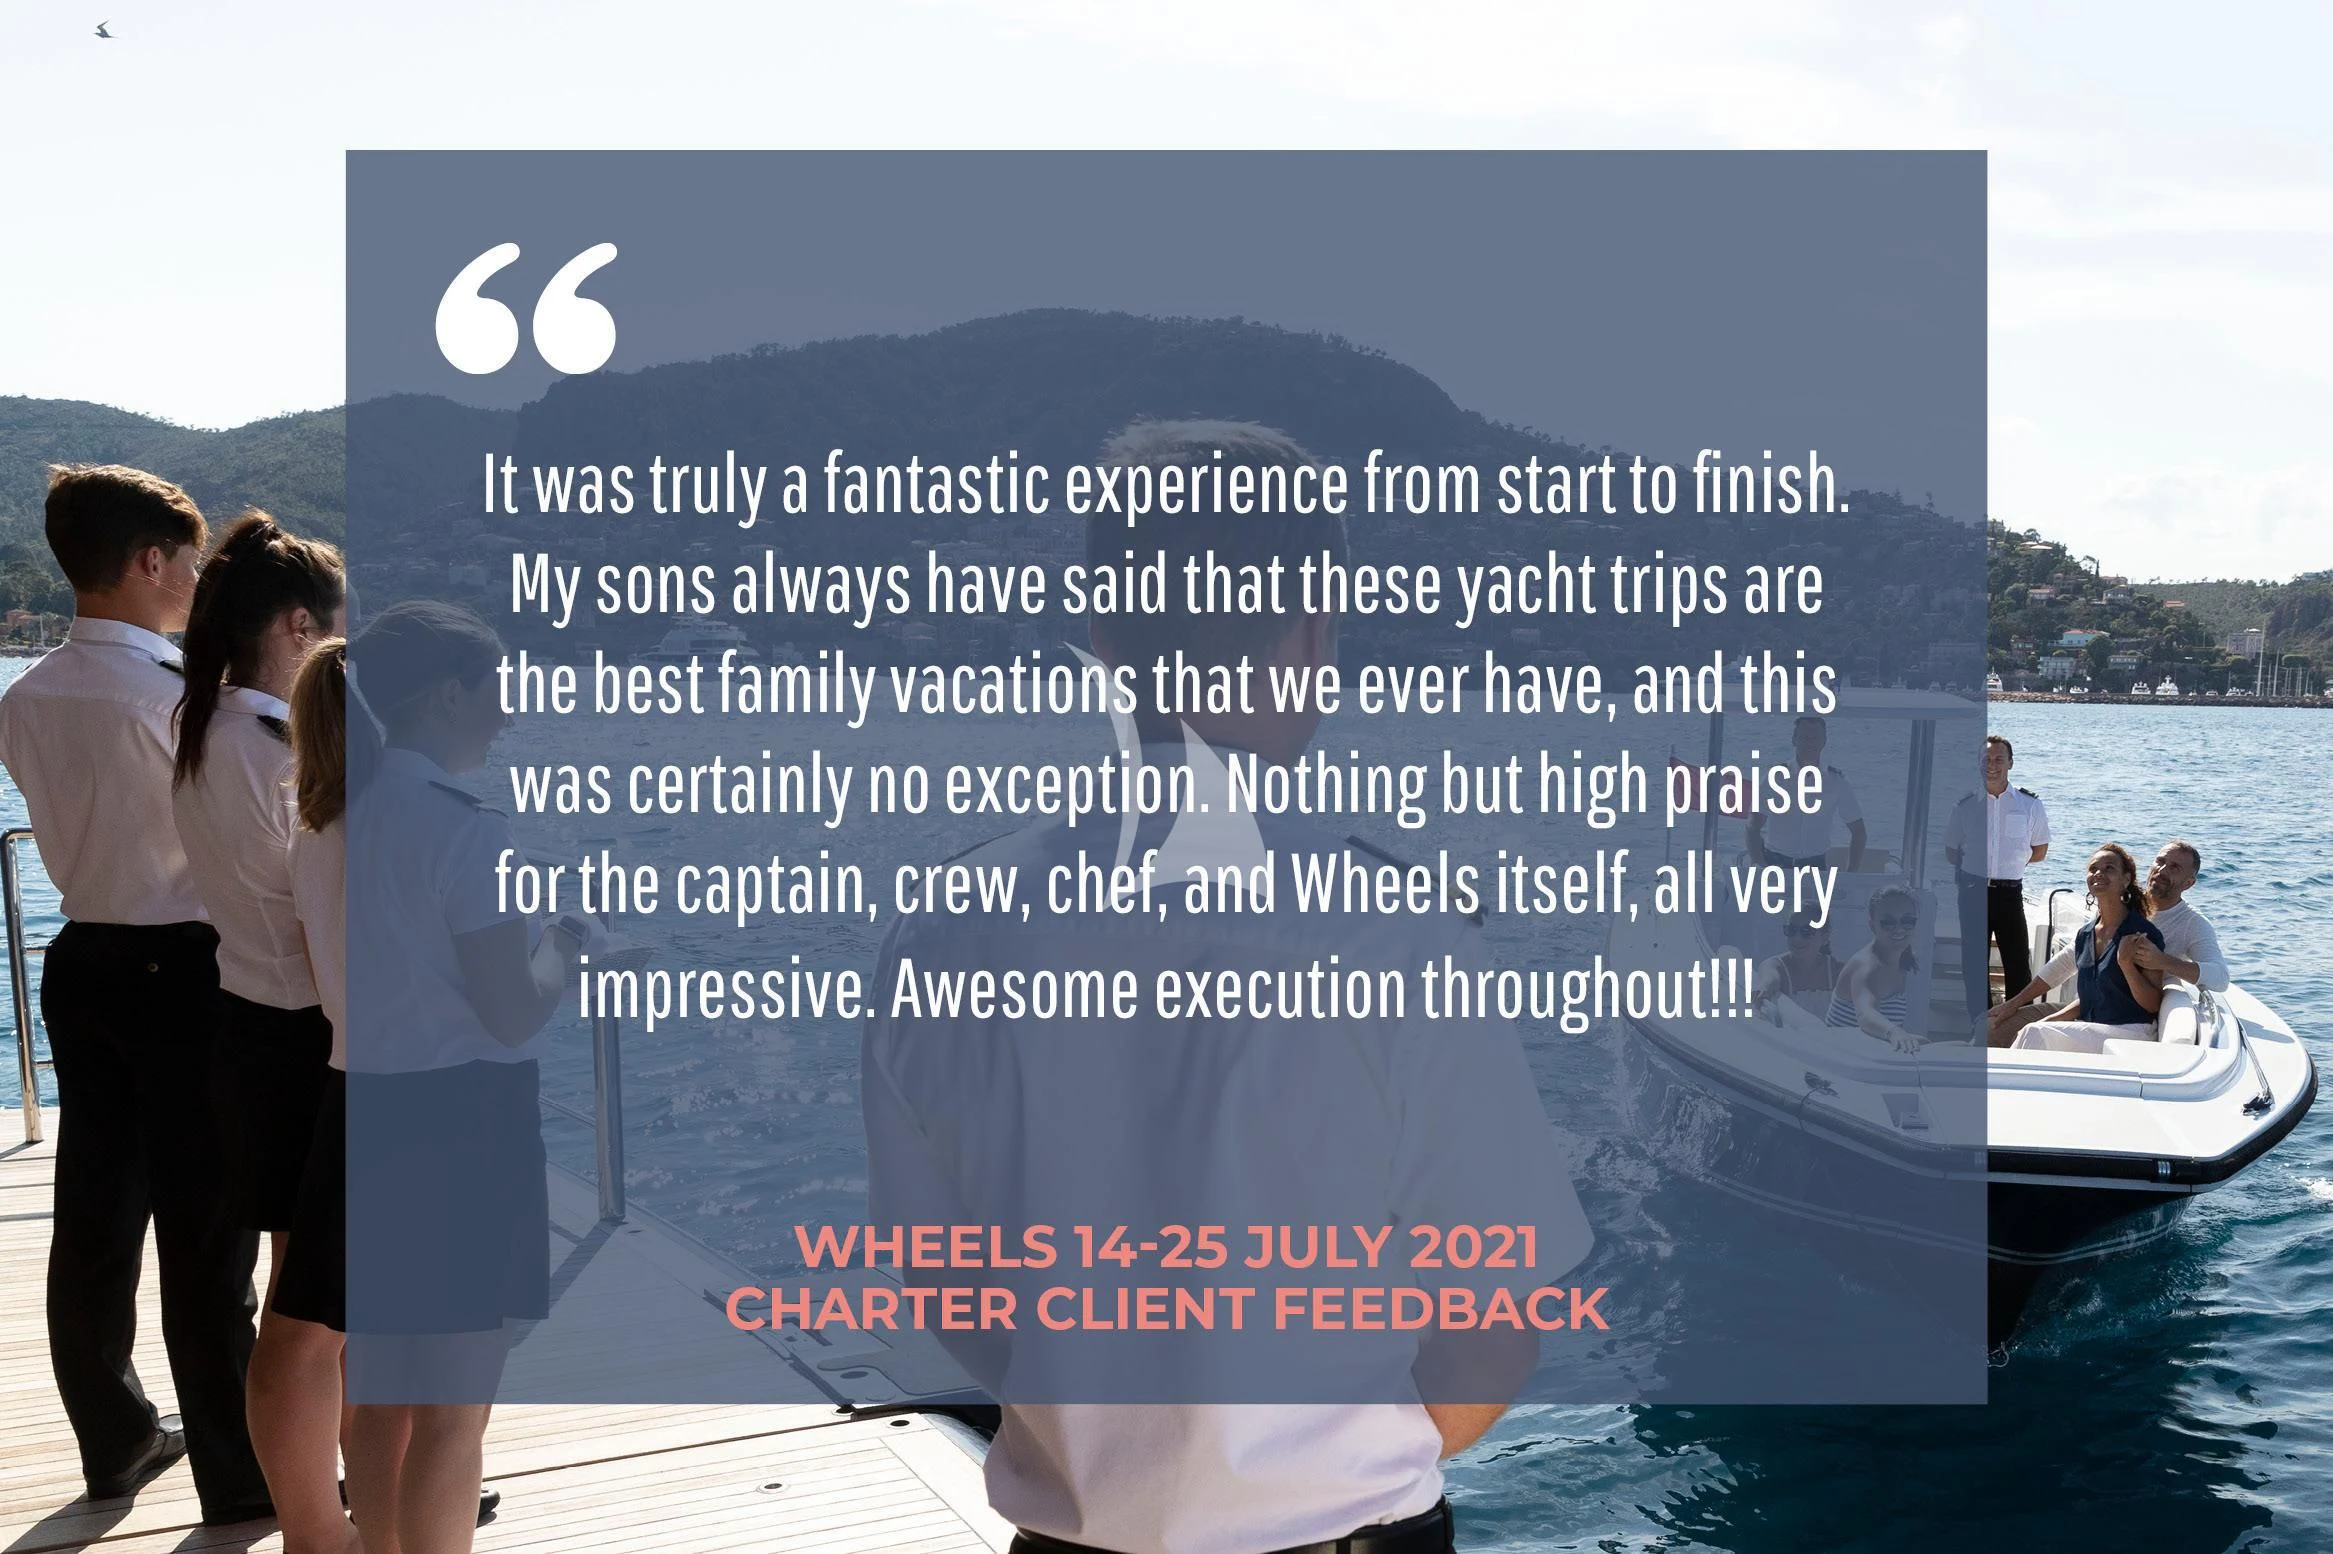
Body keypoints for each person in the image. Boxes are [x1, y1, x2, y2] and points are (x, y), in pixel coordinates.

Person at [864, 419, 1588, 1554]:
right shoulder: (1399, 941)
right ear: (1312, 633)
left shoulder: (936, 936)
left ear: (1098, 634)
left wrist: (1125, 1458)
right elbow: (1491, 1340)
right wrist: (1303, 1472)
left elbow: (947, 1290)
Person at [0, 466, 271, 1522]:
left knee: (97, 1219)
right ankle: (240, 1472)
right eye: (189, 562)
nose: (196, 581)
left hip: (82, 960)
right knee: (209, 1232)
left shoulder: (26, 699)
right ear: (150, 561)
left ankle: (114, 1441)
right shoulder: (171, 697)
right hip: (187, 970)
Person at [337, 601, 580, 1554]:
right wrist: (566, 942)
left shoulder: (334, 812)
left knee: (381, 1397)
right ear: (449, 693)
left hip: (367, 1115)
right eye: (497, 689)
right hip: (464, 1127)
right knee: (453, 1410)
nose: (508, 714)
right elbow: (512, 1010)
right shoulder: (466, 829)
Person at [167, 513, 349, 1554]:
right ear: (296, 626)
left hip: (252, 1028)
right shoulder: (272, 751)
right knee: (310, 1314)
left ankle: (333, 1505)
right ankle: (323, 1523)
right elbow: (323, 921)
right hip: (304, 1045)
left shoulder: (206, 730)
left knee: (308, 1300)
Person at [1989, 843, 2166, 1054]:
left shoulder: (2140, 935)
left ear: (2126, 879)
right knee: (2031, 1029)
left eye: (2109, 868)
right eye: (2093, 869)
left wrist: (2126, 965)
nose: (2099, 873)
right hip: (2093, 1026)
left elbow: (2153, 1005)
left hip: (2131, 1032)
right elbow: (2090, 999)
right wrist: (2047, 1021)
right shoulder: (2086, 935)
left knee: (2035, 1034)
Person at [1943, 734, 2049, 1019]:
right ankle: (1980, 1027)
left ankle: (2017, 1025)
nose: (1992, 765)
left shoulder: (2030, 805)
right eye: (1986, 759)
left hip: (2010, 893)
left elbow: (2039, 851)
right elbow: (1951, 852)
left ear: (2010, 763)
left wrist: (2008, 866)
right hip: (1973, 892)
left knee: (2017, 963)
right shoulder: (1964, 806)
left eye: (1998, 759)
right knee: (1974, 965)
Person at [1745, 715, 1866, 872]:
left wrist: (1852, 873)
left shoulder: (1836, 782)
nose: (1810, 742)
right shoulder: (1776, 777)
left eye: (1815, 737)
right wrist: (1759, 863)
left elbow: (1859, 831)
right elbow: (1753, 825)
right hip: (1774, 863)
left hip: (1816, 867)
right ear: (1794, 740)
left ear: (1824, 741)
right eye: (1805, 737)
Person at [1824, 885, 1927, 1052]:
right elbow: (1865, 1015)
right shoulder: (1868, 966)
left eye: (1907, 920)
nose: (1899, 928)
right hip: (1845, 1054)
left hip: (1869, 1049)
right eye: (1888, 922)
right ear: (1873, 926)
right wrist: (1896, 1032)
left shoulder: (1901, 958)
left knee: (1959, 1048)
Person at [2127, 839, 2228, 993]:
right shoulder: (2123, 902)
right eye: (2160, 861)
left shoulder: (2192, 923)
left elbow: (2220, 978)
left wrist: (2163, 962)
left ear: (2188, 884)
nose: (2161, 870)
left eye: (2174, 867)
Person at [1752, 909, 1841, 1020]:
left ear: (1824, 937)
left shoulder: (1838, 971)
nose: (1796, 938)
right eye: (1791, 930)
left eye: (1807, 931)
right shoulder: (1775, 965)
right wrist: (1764, 989)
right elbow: (1768, 977)